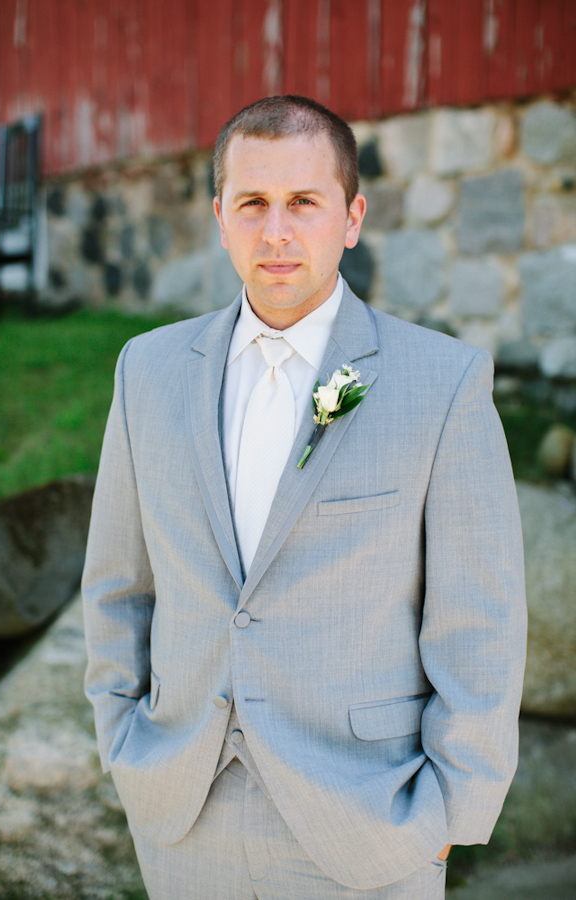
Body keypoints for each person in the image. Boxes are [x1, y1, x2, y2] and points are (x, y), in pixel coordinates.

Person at [82, 95, 527, 900]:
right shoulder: (144, 372)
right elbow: (119, 585)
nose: (276, 231)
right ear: (220, 216)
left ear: (351, 217)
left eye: (303, 203)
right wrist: (123, 743)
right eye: (252, 203)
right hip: (184, 820)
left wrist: (450, 817)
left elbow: (480, 624)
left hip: (367, 827)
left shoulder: (444, 383)